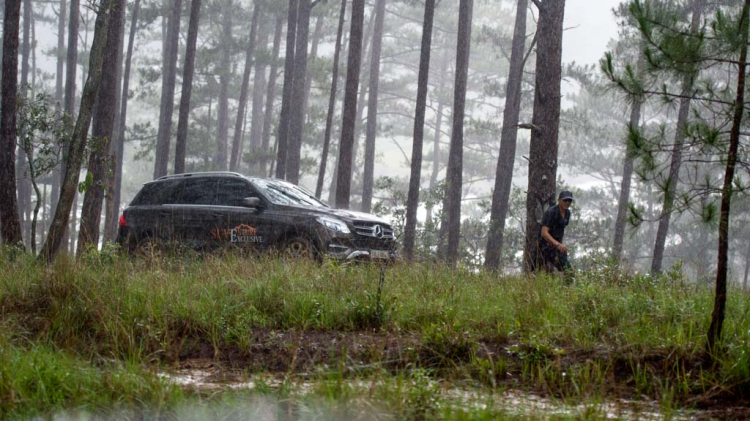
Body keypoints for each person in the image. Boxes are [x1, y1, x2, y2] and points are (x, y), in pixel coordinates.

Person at [537, 190, 574, 275]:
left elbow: (561, 230)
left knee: (569, 271)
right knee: (544, 273)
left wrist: (560, 245)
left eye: (569, 201)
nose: (567, 203)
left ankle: (567, 287)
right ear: (559, 200)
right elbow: (544, 232)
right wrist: (558, 245)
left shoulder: (567, 213)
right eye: (565, 200)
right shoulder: (551, 213)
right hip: (545, 246)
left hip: (557, 246)